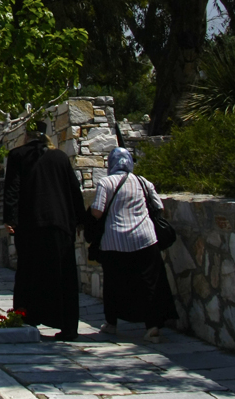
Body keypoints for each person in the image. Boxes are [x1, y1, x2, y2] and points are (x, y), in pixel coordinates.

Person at [3, 126, 85, 340]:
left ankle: (26, 319)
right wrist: (80, 220)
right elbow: (74, 189)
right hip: (60, 224)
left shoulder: (18, 155)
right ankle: (68, 327)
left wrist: (10, 218)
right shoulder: (60, 157)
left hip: (30, 225)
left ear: (26, 136)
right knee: (64, 276)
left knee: (29, 274)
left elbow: (12, 188)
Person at [89, 147, 177, 343]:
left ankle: (112, 323)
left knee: (114, 284)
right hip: (145, 239)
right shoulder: (143, 181)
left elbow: (97, 212)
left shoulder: (105, 183)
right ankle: (152, 326)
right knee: (149, 283)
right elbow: (159, 206)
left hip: (114, 242)